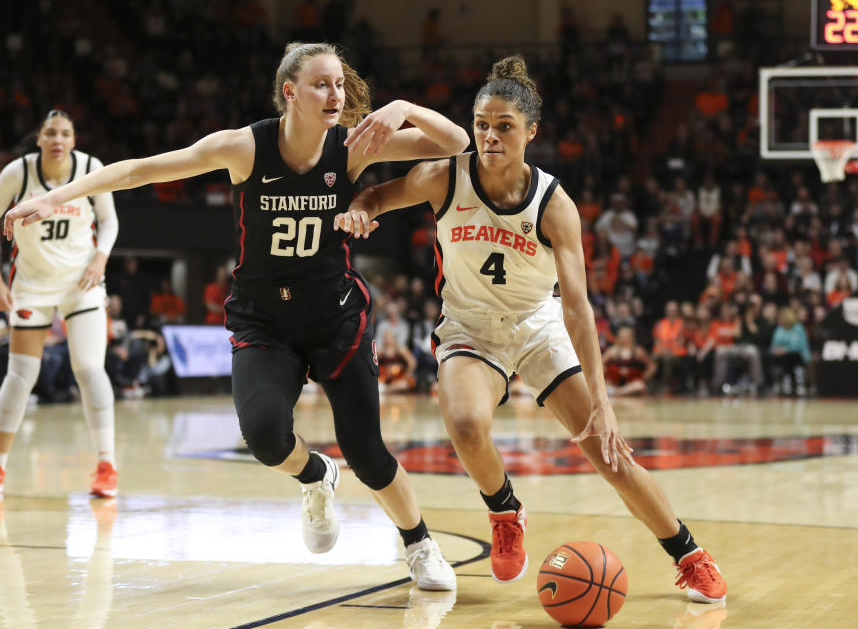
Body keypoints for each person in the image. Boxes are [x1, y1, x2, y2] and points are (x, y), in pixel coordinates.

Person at [5, 43, 469, 590]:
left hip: (335, 316)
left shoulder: (353, 147)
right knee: (266, 435)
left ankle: (419, 544)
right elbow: (142, 170)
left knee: (367, 450)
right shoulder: (245, 147)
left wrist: (404, 108)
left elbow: (459, 143)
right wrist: (59, 197)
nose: (336, 94)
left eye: (340, 85)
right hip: (264, 320)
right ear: (290, 92)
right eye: (322, 84)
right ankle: (316, 475)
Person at [336, 56, 727, 603]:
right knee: (468, 425)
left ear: (530, 132)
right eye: (481, 124)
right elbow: (377, 195)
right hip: (470, 325)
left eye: (504, 126)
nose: (489, 136)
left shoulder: (554, 204)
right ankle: (504, 511)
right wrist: (359, 209)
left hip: (536, 324)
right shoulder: (445, 175)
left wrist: (603, 401)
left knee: (610, 454)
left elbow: (578, 308)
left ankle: (689, 554)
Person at [0, 109, 120, 498]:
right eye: (50, 132)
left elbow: (109, 221)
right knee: (20, 376)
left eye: (65, 133)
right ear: (39, 138)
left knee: (88, 368)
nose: (57, 139)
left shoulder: (90, 167)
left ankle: (107, 466)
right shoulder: (17, 174)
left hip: (80, 282)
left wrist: (101, 257)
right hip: (32, 284)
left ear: (74, 139)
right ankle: (0, 467)